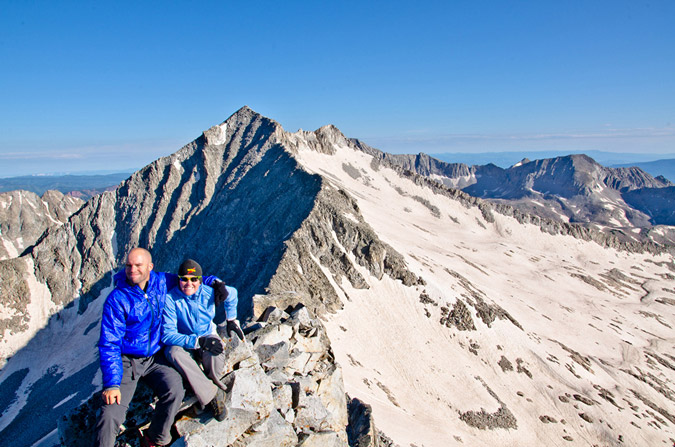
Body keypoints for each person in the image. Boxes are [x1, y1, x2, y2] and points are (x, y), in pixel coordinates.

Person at [95, 248, 235, 447]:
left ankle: (155, 440)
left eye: (138, 265)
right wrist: (111, 384)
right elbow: (109, 343)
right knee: (111, 412)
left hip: (155, 356)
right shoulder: (117, 299)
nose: (132, 270)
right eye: (128, 265)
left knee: (174, 390)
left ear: (150, 267)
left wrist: (215, 282)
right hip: (127, 360)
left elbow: (190, 278)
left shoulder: (161, 282)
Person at [162, 259, 242, 422]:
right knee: (172, 352)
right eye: (184, 279)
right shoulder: (170, 299)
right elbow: (167, 334)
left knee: (215, 352)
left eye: (194, 279)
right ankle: (213, 395)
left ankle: (205, 391)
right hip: (183, 341)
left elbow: (231, 294)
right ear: (179, 279)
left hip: (207, 334)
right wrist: (197, 342)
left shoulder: (209, 292)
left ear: (200, 279)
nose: (189, 283)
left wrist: (231, 319)